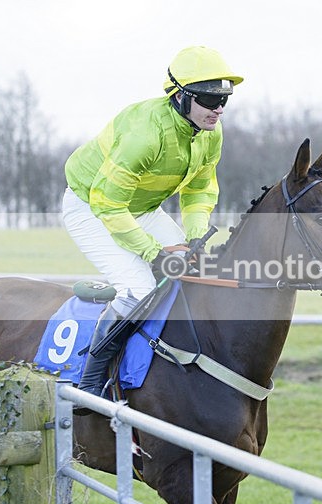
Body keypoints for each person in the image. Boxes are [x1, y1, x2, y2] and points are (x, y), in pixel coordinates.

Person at [62, 45, 243, 401]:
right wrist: (153, 251)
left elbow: (199, 190)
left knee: (192, 274)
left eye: (224, 98)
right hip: (91, 206)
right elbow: (108, 202)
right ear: (180, 96)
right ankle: (92, 375)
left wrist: (192, 238)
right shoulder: (145, 134)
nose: (218, 108)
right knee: (140, 289)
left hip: (142, 208)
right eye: (209, 99)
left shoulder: (210, 132)